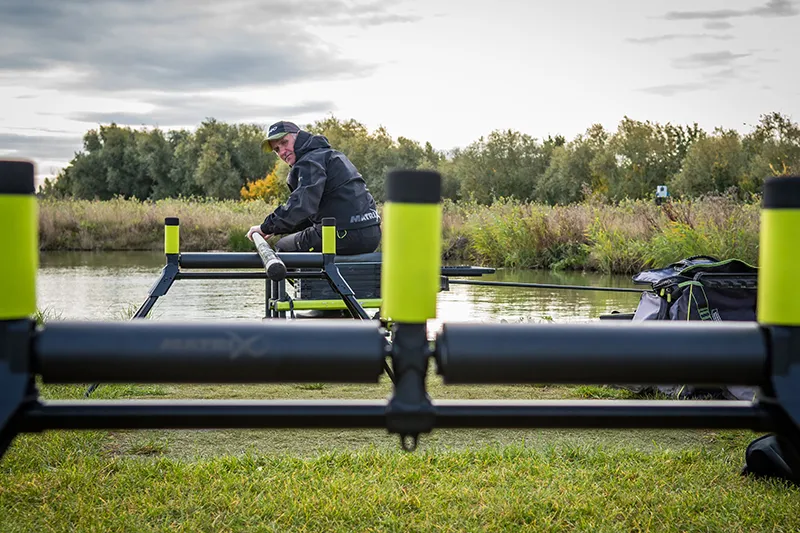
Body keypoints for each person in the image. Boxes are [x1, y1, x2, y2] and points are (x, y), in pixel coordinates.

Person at [246, 121, 381, 255]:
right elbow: (308, 214)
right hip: (372, 234)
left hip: (341, 235)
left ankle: (311, 271)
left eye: (284, 142)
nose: (282, 152)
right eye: (276, 149)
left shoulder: (309, 161)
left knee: (283, 246)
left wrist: (265, 228)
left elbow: (301, 205)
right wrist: (275, 228)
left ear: (298, 136)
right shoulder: (331, 155)